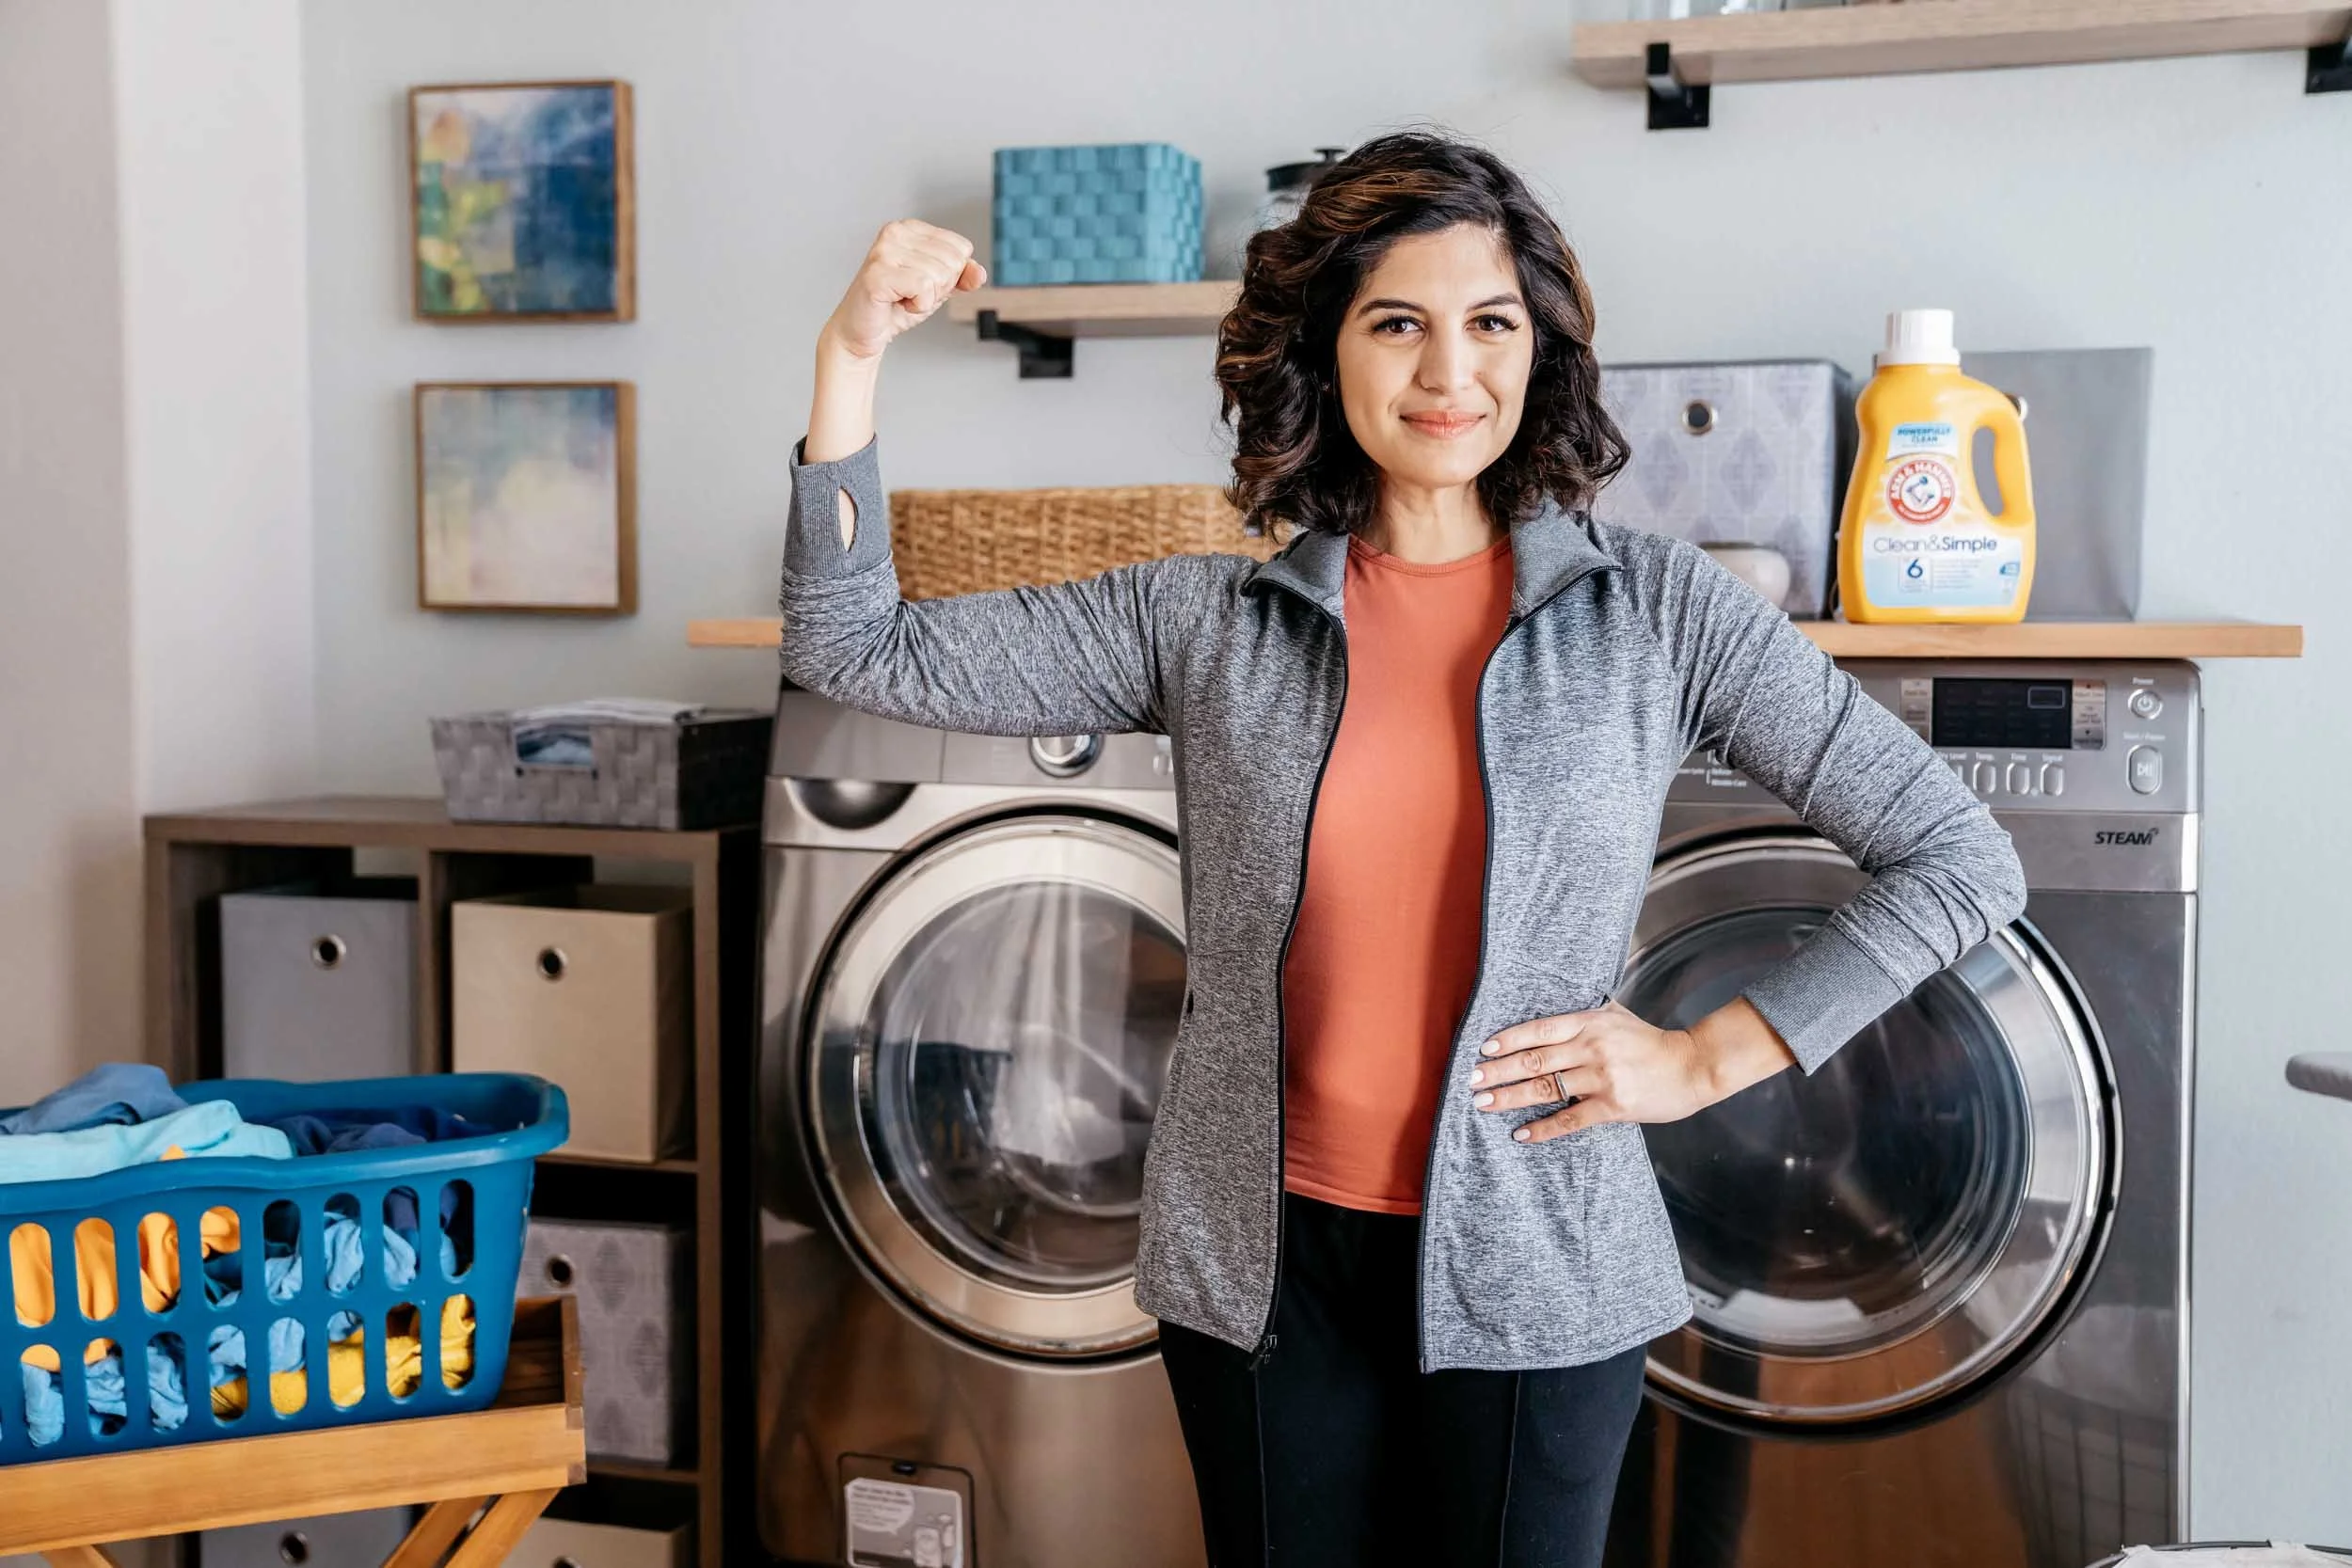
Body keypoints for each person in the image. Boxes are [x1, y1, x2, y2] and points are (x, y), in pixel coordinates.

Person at [777, 131, 2026, 1568]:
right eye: (1399, 323)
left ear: (1538, 349)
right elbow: (851, 643)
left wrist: (1707, 1054)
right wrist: (852, 353)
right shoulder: (1206, 622)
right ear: (1326, 347)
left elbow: (1958, 855)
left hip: (1543, 1262)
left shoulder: (1659, 612)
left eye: (1490, 323)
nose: (1450, 372)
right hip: (1262, 1278)